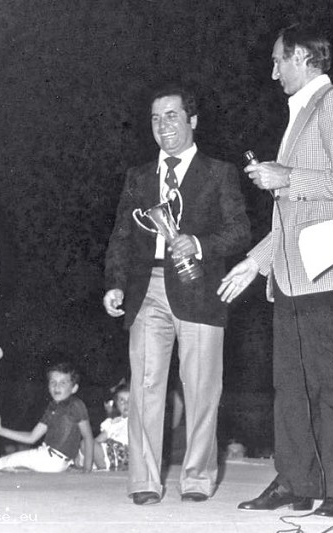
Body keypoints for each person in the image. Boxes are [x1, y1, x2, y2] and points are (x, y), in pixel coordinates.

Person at [218, 23, 333, 518]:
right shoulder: (299, 113)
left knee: (330, 382)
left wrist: (287, 176)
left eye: (278, 60)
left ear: (302, 57)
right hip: (288, 274)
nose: (273, 71)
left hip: (323, 270)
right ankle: (295, 482)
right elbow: (293, 216)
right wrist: (254, 262)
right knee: (290, 387)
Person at [103, 86, 250, 505]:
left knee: (202, 389)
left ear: (193, 120)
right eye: (155, 118)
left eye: (171, 115)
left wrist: (199, 244)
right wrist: (114, 283)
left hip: (200, 290)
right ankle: (144, 482)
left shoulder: (219, 173)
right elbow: (121, 235)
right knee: (145, 386)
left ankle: (197, 479)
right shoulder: (138, 176)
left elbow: (240, 231)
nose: (162, 125)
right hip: (145, 289)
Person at [0, 361, 94, 473]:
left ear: (74, 388)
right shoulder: (52, 408)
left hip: (50, 460)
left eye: (63, 383)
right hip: (54, 461)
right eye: (53, 382)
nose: (56, 387)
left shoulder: (75, 405)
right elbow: (32, 437)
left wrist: (87, 468)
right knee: (12, 465)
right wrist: (0, 431)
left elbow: (88, 437)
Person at [93, 388, 129, 471]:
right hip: (110, 451)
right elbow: (98, 440)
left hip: (125, 453)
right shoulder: (113, 423)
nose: (126, 404)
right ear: (117, 404)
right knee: (87, 444)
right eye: (122, 400)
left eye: (130, 400)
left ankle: (104, 467)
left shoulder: (137, 421)